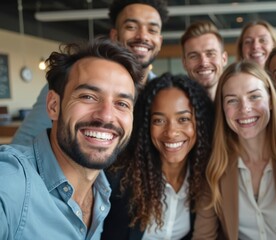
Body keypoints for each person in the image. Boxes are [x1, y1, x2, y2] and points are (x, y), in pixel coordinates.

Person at [0, 37, 142, 239]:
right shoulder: (10, 182)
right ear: (53, 106)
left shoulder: (102, 191)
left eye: (122, 103)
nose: (107, 116)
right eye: (88, 97)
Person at [12, 0, 169, 146]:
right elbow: (23, 143)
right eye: (131, 27)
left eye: (152, 30)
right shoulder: (73, 81)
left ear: (160, 41)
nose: (142, 36)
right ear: (114, 35)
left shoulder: (164, 94)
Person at [193, 61, 276, 239]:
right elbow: (204, 236)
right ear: (223, 109)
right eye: (232, 100)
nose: (245, 109)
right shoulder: (215, 165)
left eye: (254, 96)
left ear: (271, 101)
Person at [101, 73, 214, 240]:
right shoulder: (118, 178)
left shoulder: (204, 178)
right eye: (159, 121)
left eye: (183, 119)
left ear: (200, 123)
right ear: (146, 125)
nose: (171, 133)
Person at [181, 21, 228, 101]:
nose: (203, 63)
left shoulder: (239, 106)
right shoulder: (178, 108)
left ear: (224, 59)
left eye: (210, 54)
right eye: (194, 56)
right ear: (184, 63)